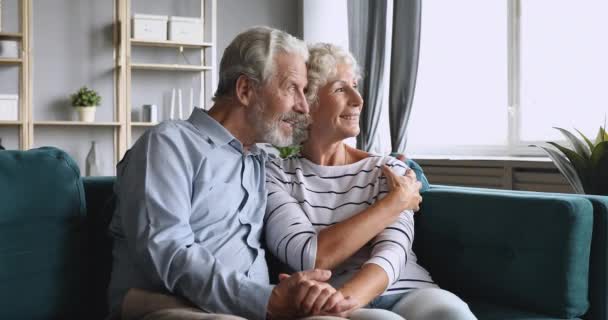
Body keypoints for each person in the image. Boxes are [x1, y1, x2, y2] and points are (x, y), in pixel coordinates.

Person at [107, 27, 359, 320]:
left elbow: (321, 159)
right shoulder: (169, 143)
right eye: (292, 88)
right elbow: (167, 251)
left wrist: (386, 165)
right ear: (245, 90)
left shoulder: (262, 160)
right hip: (165, 305)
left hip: (252, 309)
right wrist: (264, 300)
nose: (303, 106)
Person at [264, 43, 477, 320]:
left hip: (408, 289)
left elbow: (393, 251)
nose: (358, 99)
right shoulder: (276, 175)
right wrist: (395, 202)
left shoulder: (388, 169)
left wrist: (342, 300)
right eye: (341, 89)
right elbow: (310, 255)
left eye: (355, 86)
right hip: (332, 300)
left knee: (452, 313)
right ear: (308, 103)